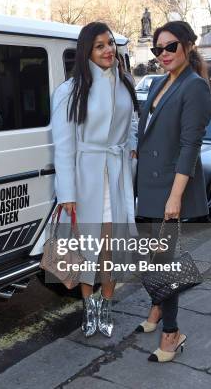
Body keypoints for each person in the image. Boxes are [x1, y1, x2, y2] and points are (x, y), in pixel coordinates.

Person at [51, 22, 139, 338]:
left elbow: (132, 125)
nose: (108, 50)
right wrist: (67, 193)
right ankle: (90, 309)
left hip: (116, 177)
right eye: (100, 45)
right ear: (87, 50)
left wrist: (131, 152)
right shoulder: (69, 91)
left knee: (111, 247)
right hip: (85, 178)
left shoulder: (125, 84)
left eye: (111, 43)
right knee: (87, 248)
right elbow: (63, 146)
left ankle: (107, 306)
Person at [132, 21, 211, 362]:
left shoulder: (195, 87)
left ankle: (172, 333)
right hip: (148, 186)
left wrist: (176, 196)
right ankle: (156, 312)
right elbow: (150, 130)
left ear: (189, 45)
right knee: (153, 258)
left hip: (169, 189)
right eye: (158, 49)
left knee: (164, 264)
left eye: (171, 47)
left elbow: (189, 146)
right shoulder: (161, 83)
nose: (163, 54)